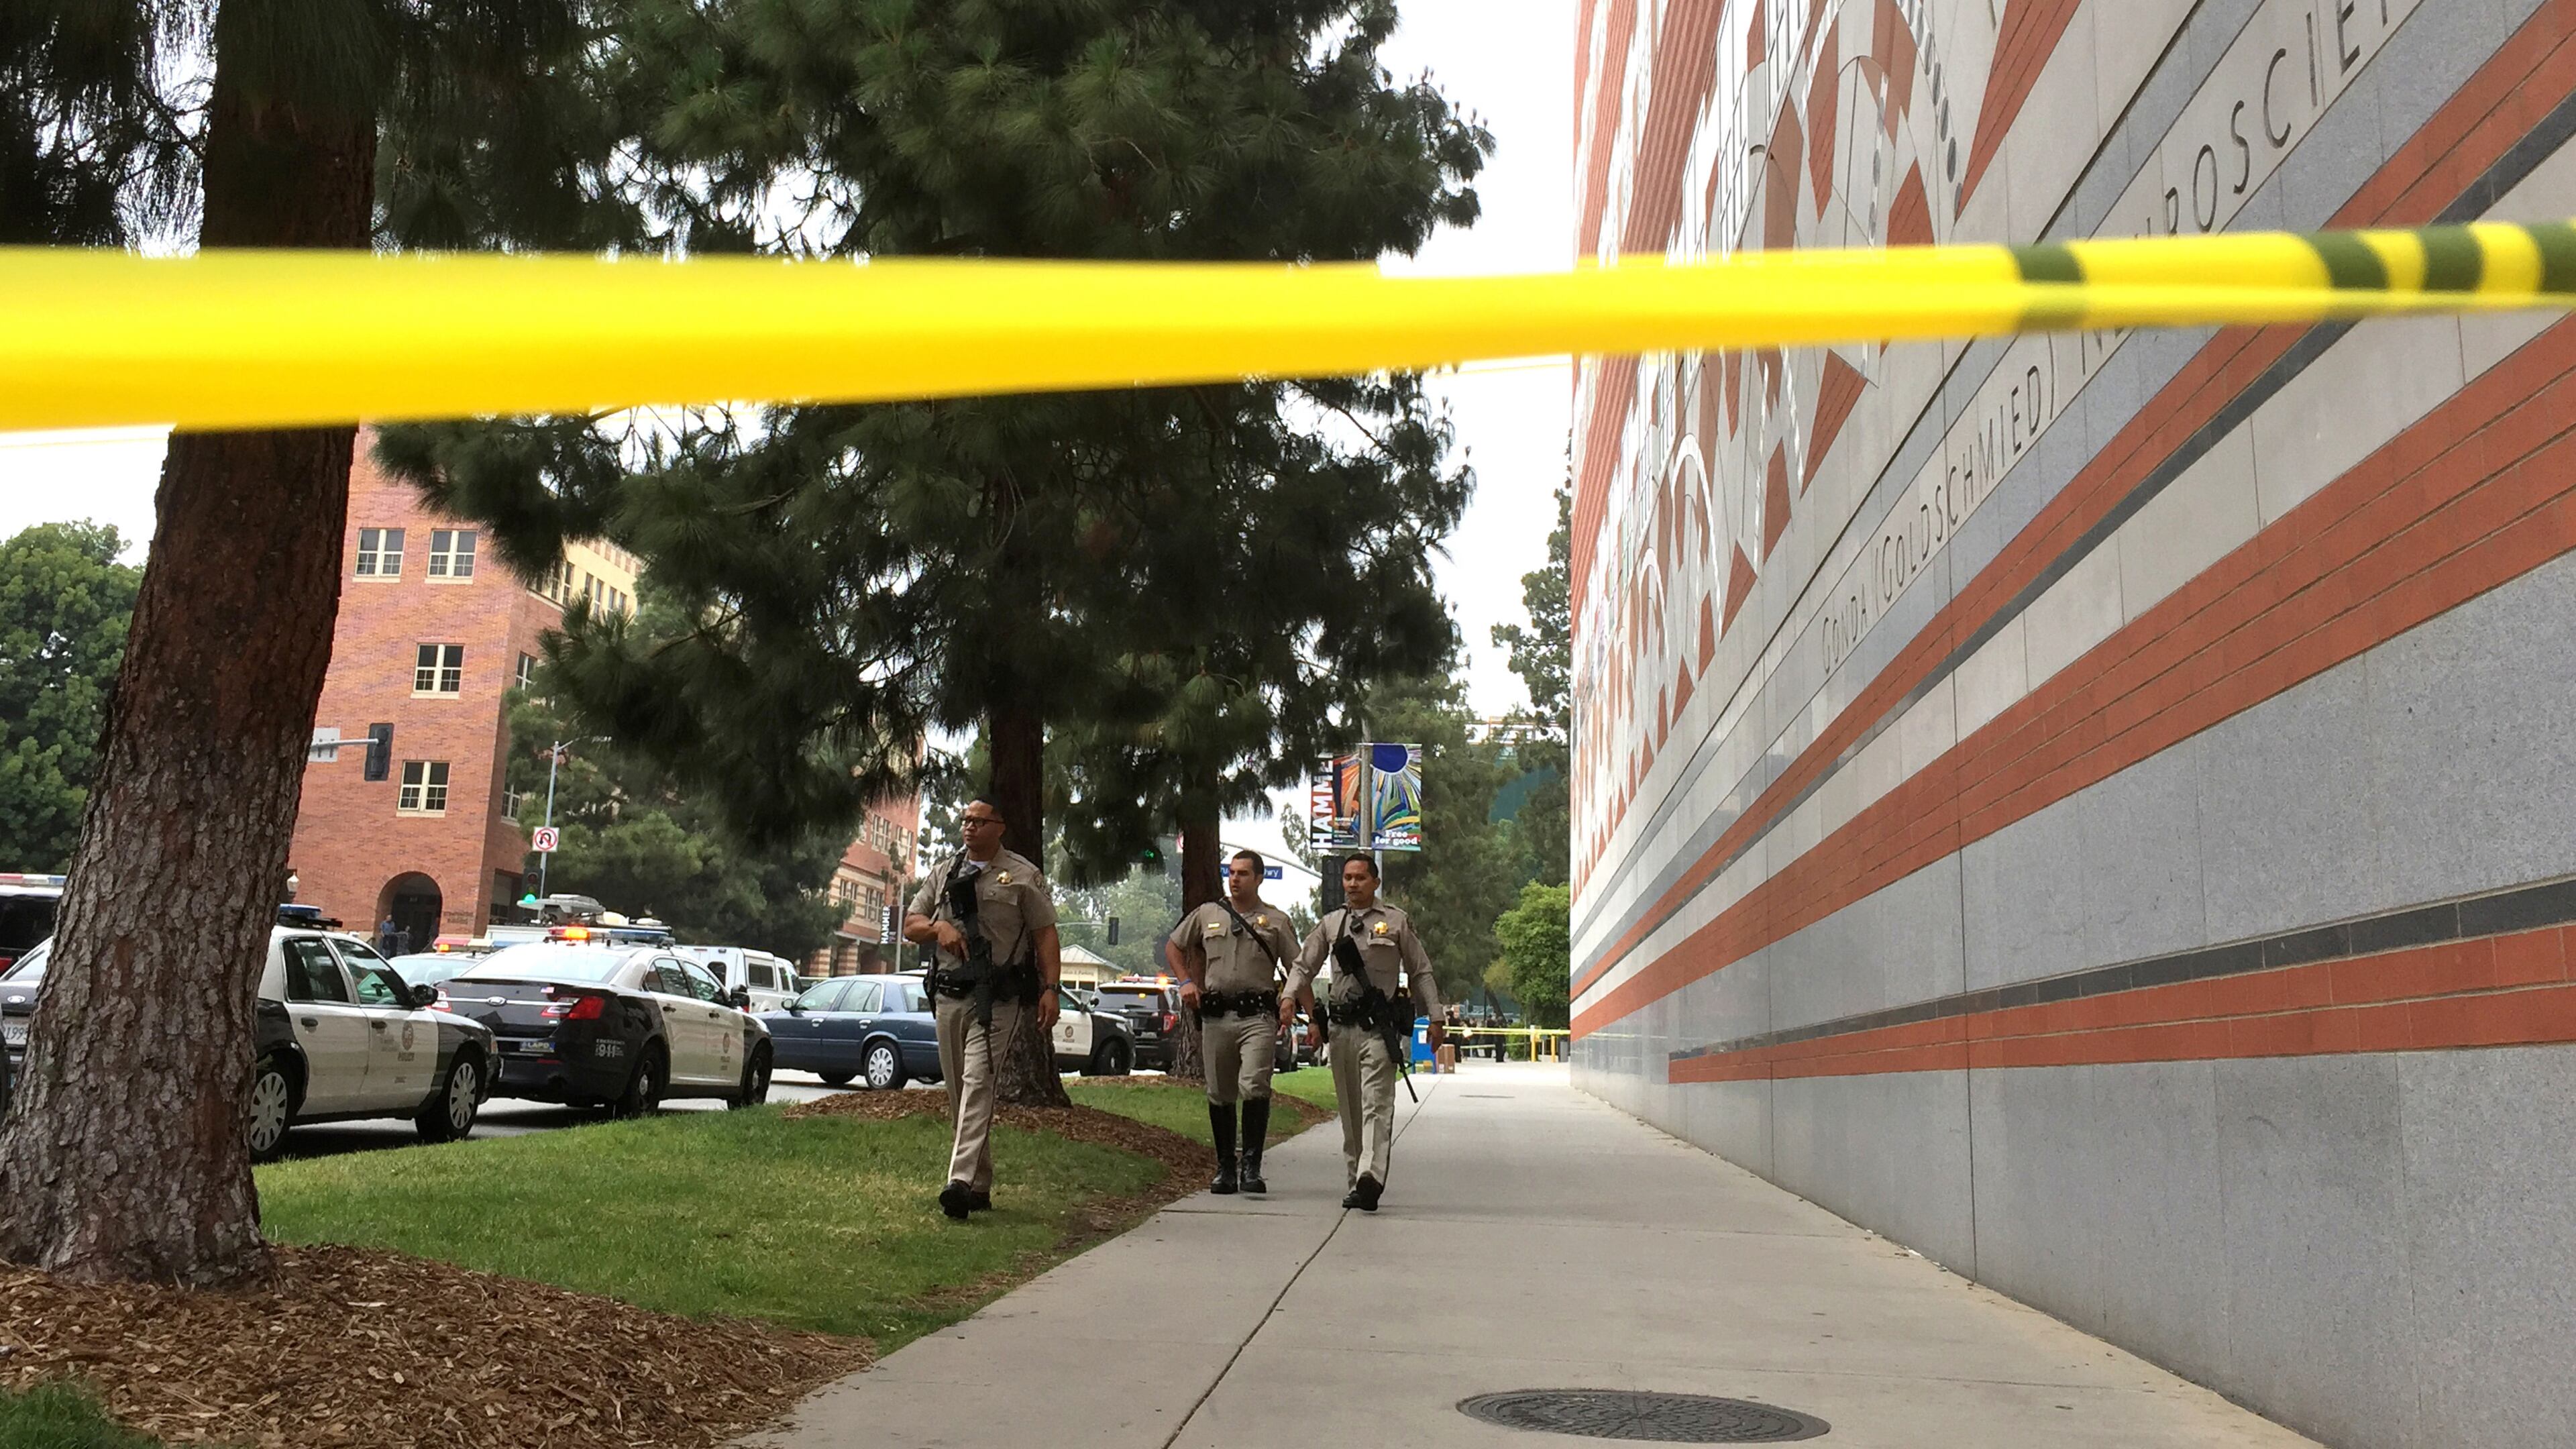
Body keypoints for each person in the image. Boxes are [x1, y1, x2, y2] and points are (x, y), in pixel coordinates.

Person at [902, 799, 1063, 1221]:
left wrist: (1052, 989)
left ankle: (957, 1183)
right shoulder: (945, 872)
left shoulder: (1024, 877)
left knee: (978, 1083)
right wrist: (940, 928)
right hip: (950, 996)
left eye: (979, 821)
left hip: (1000, 999)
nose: (970, 827)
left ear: (1000, 827)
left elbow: (1046, 936)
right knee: (960, 1094)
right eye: (966, 820)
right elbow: (911, 925)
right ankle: (981, 1183)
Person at [1285, 853, 1444, 1212]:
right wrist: (1288, 996)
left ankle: (1370, 1178)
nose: (1353, 884)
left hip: (1377, 1028)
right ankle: (1356, 1178)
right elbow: (1304, 965)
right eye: (1347, 878)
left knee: (1377, 1104)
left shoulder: (1396, 922)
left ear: (1375, 883)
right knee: (1351, 1110)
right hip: (1341, 1029)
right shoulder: (1331, 924)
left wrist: (1435, 1017)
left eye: (1360, 878)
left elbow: (1421, 972)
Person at [1165, 849, 1299, 1195]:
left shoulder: (1277, 921)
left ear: (1258, 878)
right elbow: (1174, 947)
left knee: (1254, 1085)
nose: (1235, 879)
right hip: (1217, 1016)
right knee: (1220, 1093)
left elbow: (1297, 968)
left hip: (1258, 1017)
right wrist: (1185, 982)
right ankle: (1226, 1167)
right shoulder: (1208, 914)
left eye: (1243, 873)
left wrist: (1293, 1001)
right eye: (1232, 872)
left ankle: (1251, 1167)